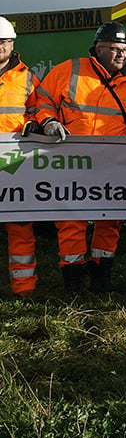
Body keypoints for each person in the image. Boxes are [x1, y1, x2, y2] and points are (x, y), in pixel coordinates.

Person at [32, 21, 126, 292]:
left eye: (124, 49)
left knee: (110, 220)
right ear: (98, 49)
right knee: (71, 219)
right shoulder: (69, 70)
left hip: (114, 164)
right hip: (73, 162)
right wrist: (48, 121)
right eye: (114, 49)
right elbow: (43, 100)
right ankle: (73, 280)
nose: (121, 55)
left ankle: (101, 274)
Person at [1, 17, 41, 297]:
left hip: (13, 160)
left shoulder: (27, 78)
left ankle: (23, 288)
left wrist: (35, 123)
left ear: (12, 43)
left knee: (19, 222)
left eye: (2, 42)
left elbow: (39, 109)